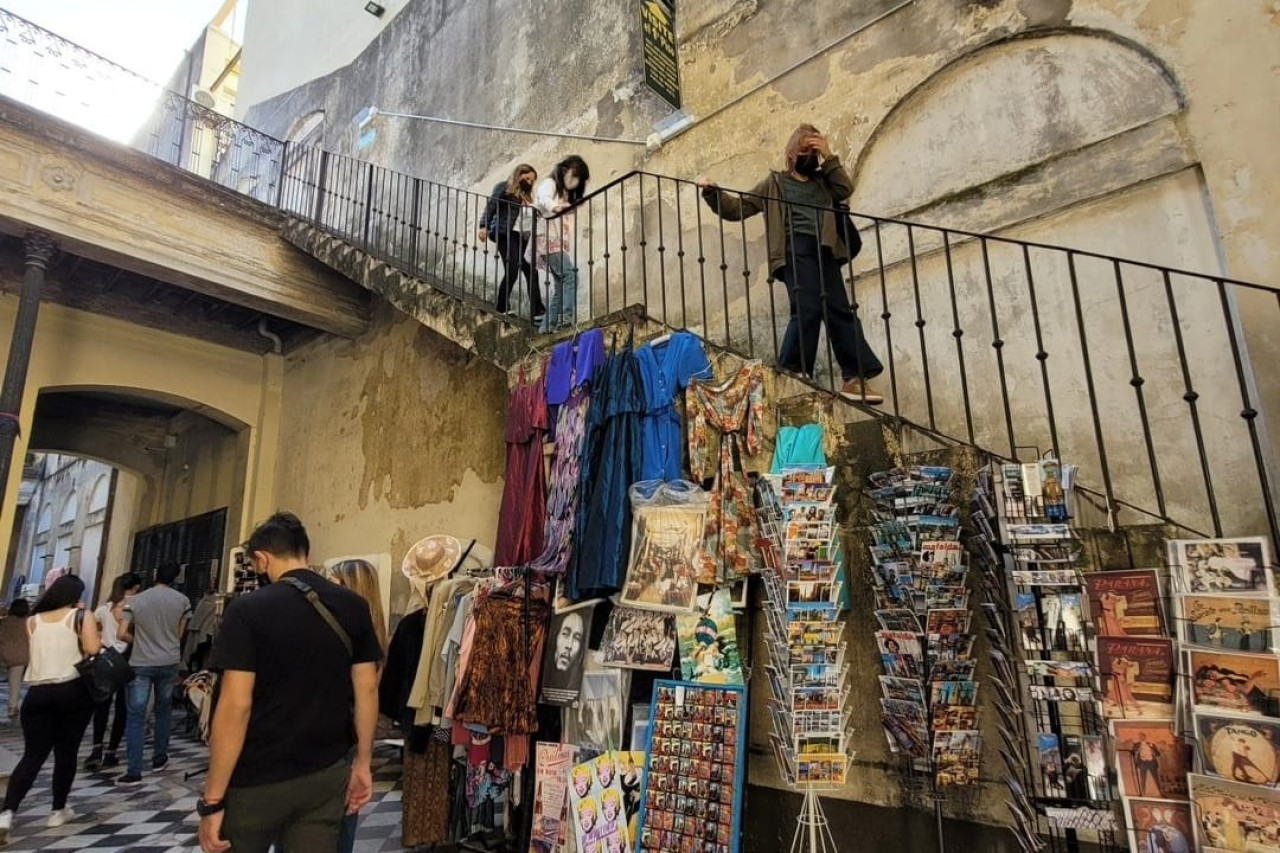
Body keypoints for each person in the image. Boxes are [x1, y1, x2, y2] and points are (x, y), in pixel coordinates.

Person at [197, 513, 380, 853]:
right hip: (325, 775)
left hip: (257, 778)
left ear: (262, 559)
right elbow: (367, 688)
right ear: (305, 554)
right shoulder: (353, 605)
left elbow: (236, 705)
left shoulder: (247, 610)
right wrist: (363, 763)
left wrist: (213, 799)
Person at [697, 124, 885, 404]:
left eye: (814, 150)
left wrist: (829, 156)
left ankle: (855, 378)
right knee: (807, 306)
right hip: (793, 249)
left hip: (826, 249)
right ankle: (794, 369)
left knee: (840, 310)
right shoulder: (774, 183)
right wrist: (713, 192)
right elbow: (738, 208)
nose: (809, 155)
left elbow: (845, 189)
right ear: (791, 152)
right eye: (805, 150)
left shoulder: (825, 182)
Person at [0, 576, 101, 845]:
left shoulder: (33, 621)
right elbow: (93, 649)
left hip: (37, 693)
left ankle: (7, 813)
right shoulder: (81, 616)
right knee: (66, 752)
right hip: (71, 690)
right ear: (76, 594)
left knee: (32, 755)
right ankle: (58, 810)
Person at [327, 558, 388, 853]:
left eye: (335, 580)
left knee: (340, 817)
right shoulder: (375, 634)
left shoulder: (351, 634)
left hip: (340, 738)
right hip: (348, 737)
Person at [116, 562, 191, 788]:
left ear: (155, 575)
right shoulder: (182, 601)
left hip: (141, 661)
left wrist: (138, 641)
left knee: (137, 715)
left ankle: (134, 770)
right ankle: (160, 757)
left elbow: (121, 633)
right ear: (176, 578)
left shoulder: (136, 601)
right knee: (164, 709)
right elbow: (179, 635)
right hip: (168, 660)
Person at [86, 573, 141, 771]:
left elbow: (94, 630)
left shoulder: (104, 608)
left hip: (106, 658)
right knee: (122, 707)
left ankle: (96, 748)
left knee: (102, 705)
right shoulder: (135, 606)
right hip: (127, 658)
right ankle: (112, 750)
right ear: (135, 587)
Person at [479, 164, 544, 321]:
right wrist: (483, 226)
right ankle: (501, 306)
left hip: (521, 236)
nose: (529, 182)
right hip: (505, 233)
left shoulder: (527, 198)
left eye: (532, 180)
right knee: (513, 269)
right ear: (518, 175)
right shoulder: (504, 187)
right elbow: (491, 206)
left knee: (531, 270)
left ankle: (538, 311)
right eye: (527, 178)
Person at [534, 155, 590, 333]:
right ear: (565, 170)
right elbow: (543, 198)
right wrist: (554, 207)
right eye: (575, 174)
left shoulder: (564, 192)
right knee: (570, 275)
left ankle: (546, 328)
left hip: (553, 240)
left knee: (560, 284)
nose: (575, 180)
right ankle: (565, 319)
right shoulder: (550, 183)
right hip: (547, 239)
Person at [0, 599, 30, 719]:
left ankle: (12, 707)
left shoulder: (5, 622)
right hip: (21, 656)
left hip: (4, 653)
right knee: (15, 682)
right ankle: (12, 707)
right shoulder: (28, 622)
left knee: (14, 680)